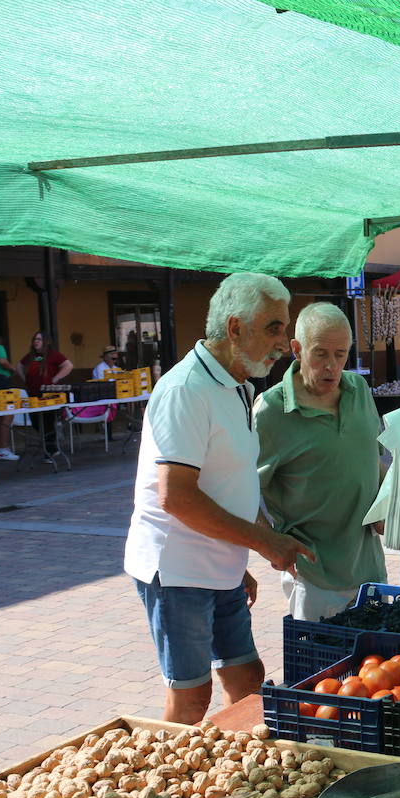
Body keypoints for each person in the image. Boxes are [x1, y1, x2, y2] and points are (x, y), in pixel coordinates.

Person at [125, 272, 314, 724]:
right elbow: (177, 498)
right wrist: (264, 543)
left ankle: (235, 770)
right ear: (234, 329)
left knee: (248, 678)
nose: (284, 341)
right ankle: (167, 785)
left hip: (218, 568)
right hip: (177, 571)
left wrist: (243, 557)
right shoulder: (186, 390)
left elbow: (230, 483)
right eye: (273, 327)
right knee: (192, 696)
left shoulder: (237, 386)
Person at [255, 303, 386, 622]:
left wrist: (385, 502)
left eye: (340, 354)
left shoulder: (358, 390)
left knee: (371, 665)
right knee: (322, 669)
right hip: (314, 575)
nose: (331, 366)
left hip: (370, 568)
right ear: (297, 349)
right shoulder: (271, 410)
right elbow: (240, 491)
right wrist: (269, 543)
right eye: (321, 354)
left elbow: (373, 458)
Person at [18, 331, 73, 457]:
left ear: (46, 342)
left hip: (48, 394)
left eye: (39, 339)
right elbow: (19, 366)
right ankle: (48, 445)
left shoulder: (53, 355)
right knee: (35, 420)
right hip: (33, 395)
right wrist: (25, 379)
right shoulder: (30, 356)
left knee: (48, 422)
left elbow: (68, 365)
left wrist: (55, 379)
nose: (36, 341)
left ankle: (51, 450)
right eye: (35, 339)